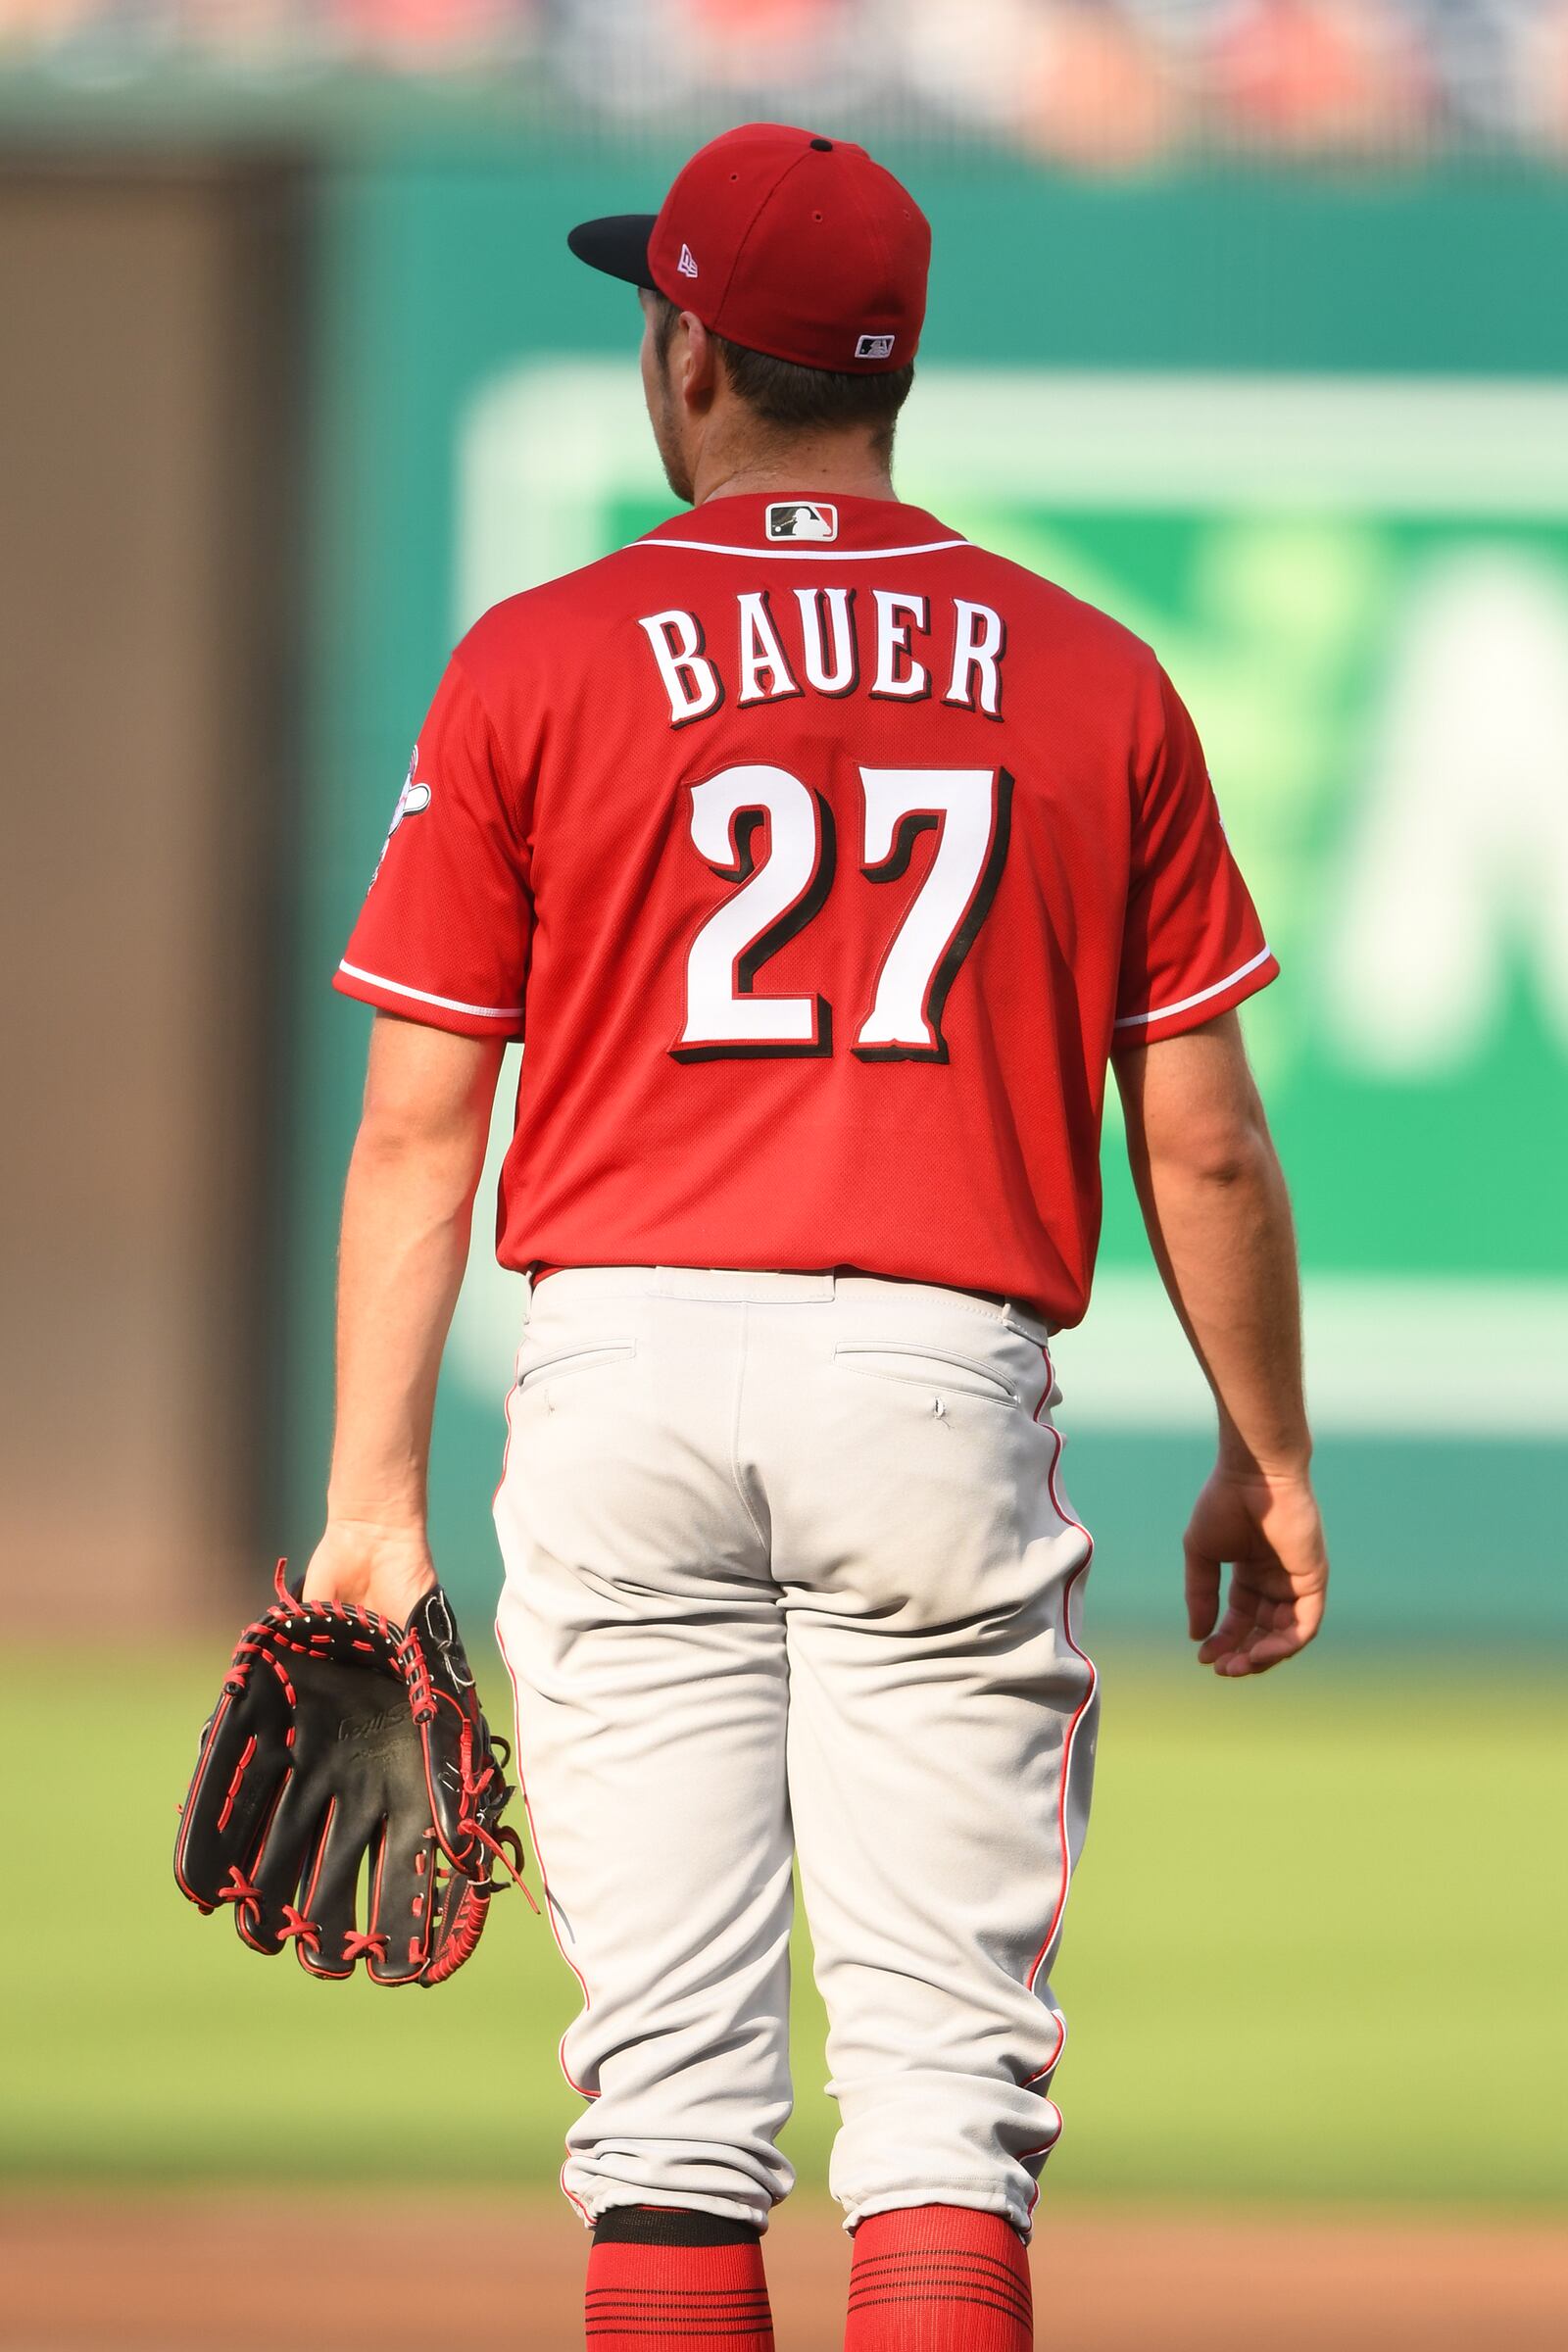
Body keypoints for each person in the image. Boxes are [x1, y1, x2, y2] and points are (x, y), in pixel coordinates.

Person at [308, 122, 1329, 2352]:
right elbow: (1212, 1152)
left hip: (617, 1372)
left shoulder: (536, 659)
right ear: (888, 375)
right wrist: (1263, 1457)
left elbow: (416, 1125)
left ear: (686, 354)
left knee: (667, 2114)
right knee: (940, 2115)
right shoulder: (1091, 679)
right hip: (928, 1387)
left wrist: (368, 1502)